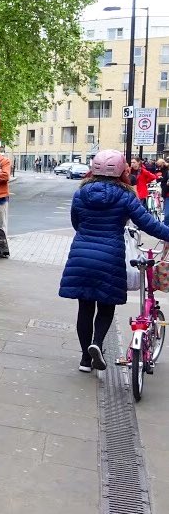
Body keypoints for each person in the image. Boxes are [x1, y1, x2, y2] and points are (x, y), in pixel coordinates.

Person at [59, 149, 169, 373]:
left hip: (81, 254)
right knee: (106, 306)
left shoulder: (81, 193)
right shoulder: (125, 195)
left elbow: (76, 222)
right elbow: (148, 223)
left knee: (85, 307)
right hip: (110, 256)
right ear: (121, 171)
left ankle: (84, 360)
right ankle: (97, 344)